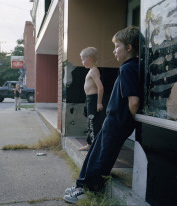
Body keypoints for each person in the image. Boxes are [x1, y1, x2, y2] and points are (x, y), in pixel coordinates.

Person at [63, 26, 141, 204]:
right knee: (96, 151)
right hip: (114, 121)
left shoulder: (128, 68)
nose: (114, 50)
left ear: (129, 47)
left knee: (101, 155)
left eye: (117, 46)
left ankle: (86, 189)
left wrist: (125, 122)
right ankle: (81, 185)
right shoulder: (131, 67)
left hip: (117, 121)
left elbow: (133, 102)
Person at [78, 47, 104, 151]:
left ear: (90, 59)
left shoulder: (93, 71)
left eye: (83, 59)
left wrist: (99, 103)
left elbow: (100, 87)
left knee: (93, 123)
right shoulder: (91, 71)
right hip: (89, 99)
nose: (82, 61)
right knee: (90, 122)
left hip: (93, 100)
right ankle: (89, 145)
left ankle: (94, 149)